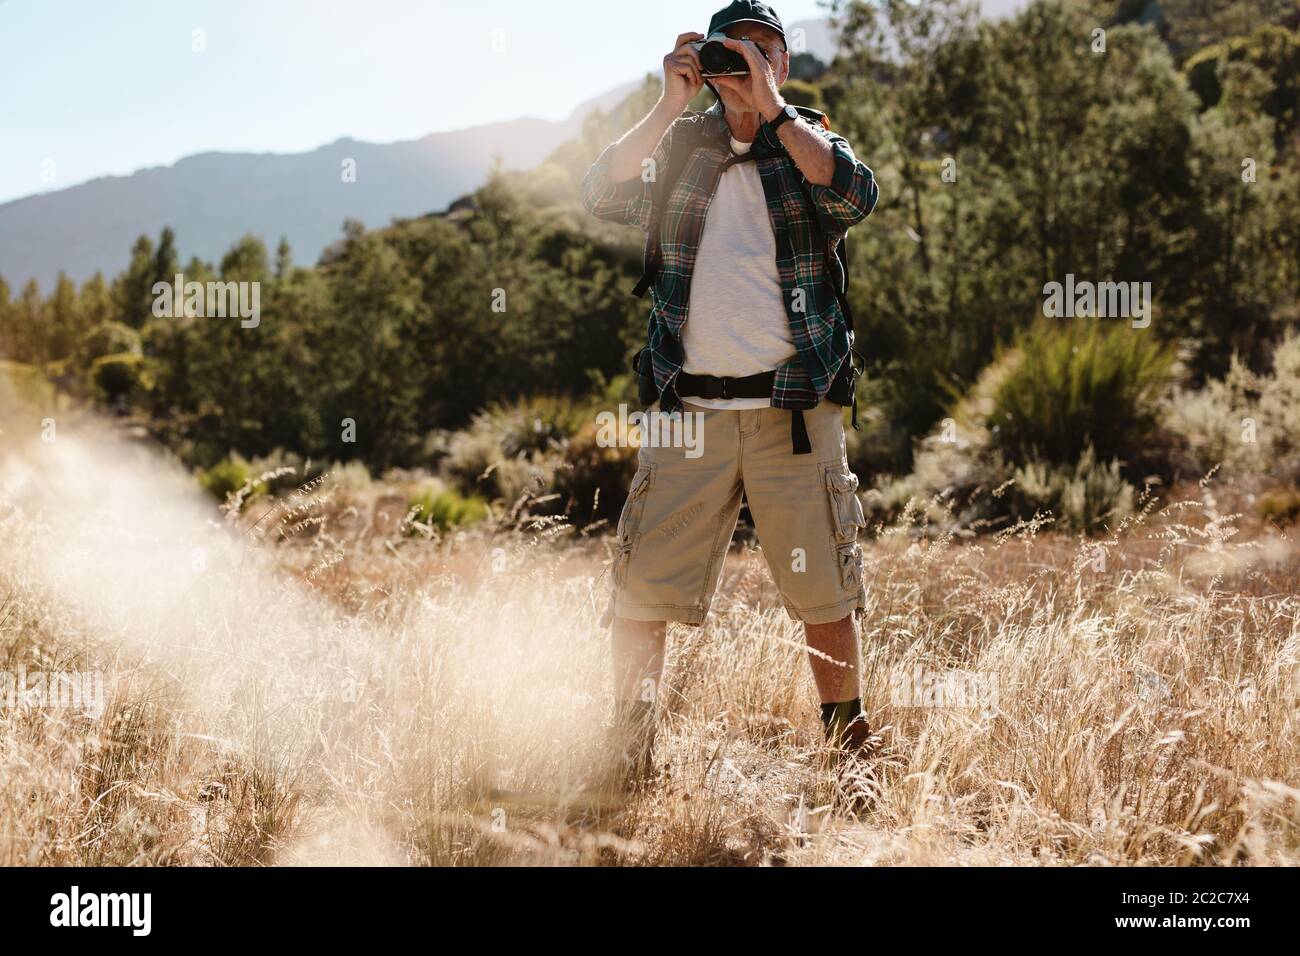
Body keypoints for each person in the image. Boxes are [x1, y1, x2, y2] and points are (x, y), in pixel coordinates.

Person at [580, 0, 879, 789]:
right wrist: (669, 101)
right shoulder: (681, 144)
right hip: (690, 413)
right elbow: (600, 194)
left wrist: (773, 113)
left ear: (783, 64)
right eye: (731, 53)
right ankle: (631, 752)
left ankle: (849, 756)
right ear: (705, 66)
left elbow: (853, 195)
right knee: (643, 589)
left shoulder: (810, 139)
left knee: (825, 593)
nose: (748, 64)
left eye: (764, 51)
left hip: (793, 413)